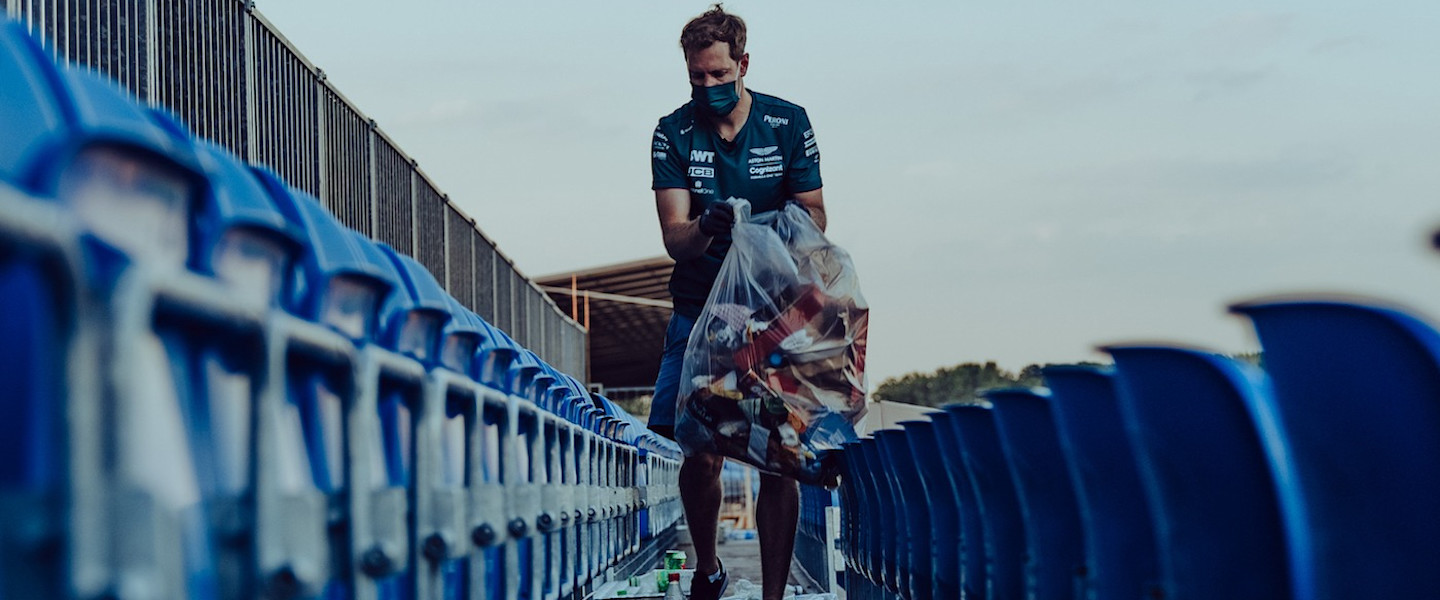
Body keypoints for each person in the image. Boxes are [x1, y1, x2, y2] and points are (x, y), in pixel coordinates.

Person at [647, 5, 826, 600]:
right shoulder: (673, 133)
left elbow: (816, 214)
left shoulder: (787, 122)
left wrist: (769, 231)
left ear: (743, 64)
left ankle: (772, 594)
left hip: (773, 312)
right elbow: (675, 238)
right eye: (697, 77)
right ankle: (708, 567)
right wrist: (707, 226)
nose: (708, 87)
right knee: (698, 452)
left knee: (781, 455)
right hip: (700, 313)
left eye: (719, 75)